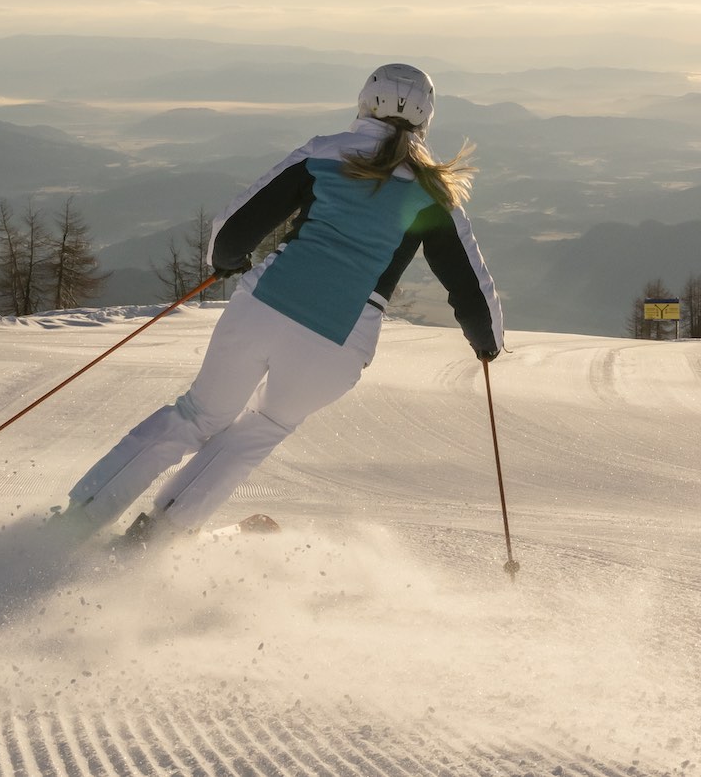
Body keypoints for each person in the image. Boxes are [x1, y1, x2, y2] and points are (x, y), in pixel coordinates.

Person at [60, 63, 503, 543]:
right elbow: (471, 287)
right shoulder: (434, 193)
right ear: (426, 118)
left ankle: (78, 519)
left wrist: (227, 261)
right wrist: (487, 344)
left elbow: (235, 228)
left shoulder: (323, 152)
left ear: (363, 102)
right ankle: (161, 534)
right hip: (340, 339)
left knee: (196, 416)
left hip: (264, 307)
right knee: (260, 429)